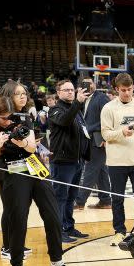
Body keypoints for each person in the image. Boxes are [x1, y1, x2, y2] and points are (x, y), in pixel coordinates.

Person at [0, 98, 81, 266]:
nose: (8, 121)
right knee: (18, 220)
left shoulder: (22, 122)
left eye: (10, 117)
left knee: (53, 216)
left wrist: (21, 142)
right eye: (3, 118)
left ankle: (57, 265)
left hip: (35, 168)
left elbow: (31, 147)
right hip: (14, 174)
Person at [101, 73, 134, 247]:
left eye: (130, 89)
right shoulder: (108, 108)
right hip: (116, 162)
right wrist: (121, 133)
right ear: (117, 89)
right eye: (123, 90)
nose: (127, 93)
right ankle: (119, 231)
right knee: (117, 199)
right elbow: (105, 134)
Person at [47, 79, 91, 243]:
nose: (70, 92)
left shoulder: (77, 109)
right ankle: (58, 231)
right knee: (60, 197)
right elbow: (65, 121)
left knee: (71, 197)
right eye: (66, 90)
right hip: (62, 162)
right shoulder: (55, 110)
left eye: (72, 90)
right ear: (58, 93)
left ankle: (69, 226)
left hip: (77, 161)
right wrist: (78, 103)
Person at [75, 79, 112, 210]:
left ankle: (79, 201)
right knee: (101, 170)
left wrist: (104, 137)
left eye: (90, 83)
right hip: (87, 139)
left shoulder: (102, 97)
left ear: (94, 84)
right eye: (84, 83)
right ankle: (106, 200)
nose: (88, 85)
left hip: (98, 139)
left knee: (90, 169)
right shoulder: (81, 99)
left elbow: (108, 119)